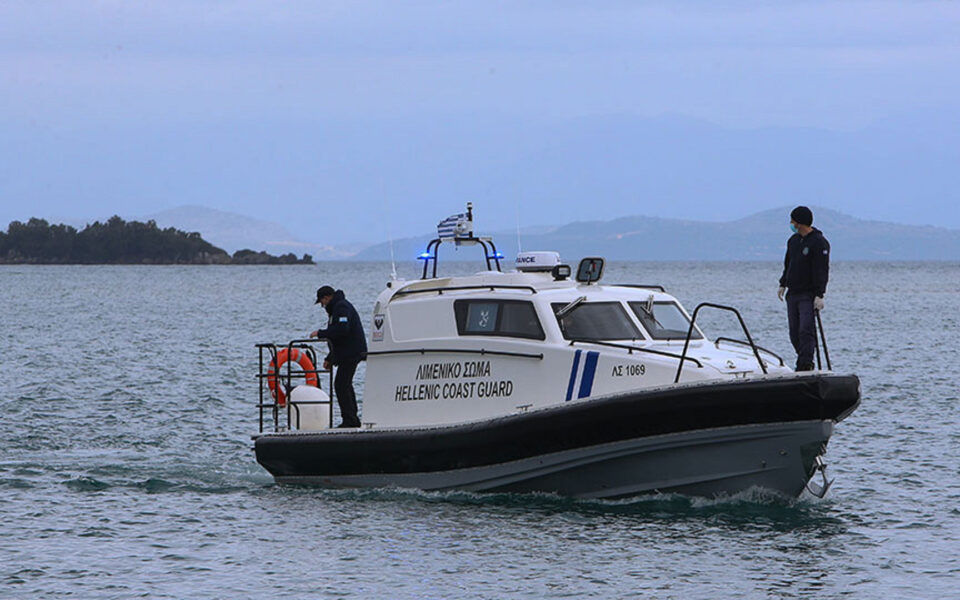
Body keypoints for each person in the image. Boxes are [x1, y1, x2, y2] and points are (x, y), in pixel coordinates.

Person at [778, 206, 830, 371]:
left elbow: (822, 269)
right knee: (794, 332)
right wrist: (783, 283)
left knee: (805, 330)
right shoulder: (793, 241)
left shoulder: (819, 242)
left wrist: (820, 294)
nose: (791, 224)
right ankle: (802, 357)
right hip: (793, 292)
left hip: (808, 294)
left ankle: (805, 364)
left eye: (793, 221)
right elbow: (788, 264)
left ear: (800, 222)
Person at [309, 285, 367, 427]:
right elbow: (339, 340)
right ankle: (352, 418)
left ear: (327, 297)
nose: (322, 305)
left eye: (322, 302)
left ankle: (350, 420)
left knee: (341, 385)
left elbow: (342, 330)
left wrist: (320, 333)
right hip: (347, 352)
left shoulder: (341, 307)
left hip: (352, 352)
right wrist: (330, 358)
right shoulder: (337, 308)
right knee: (344, 384)